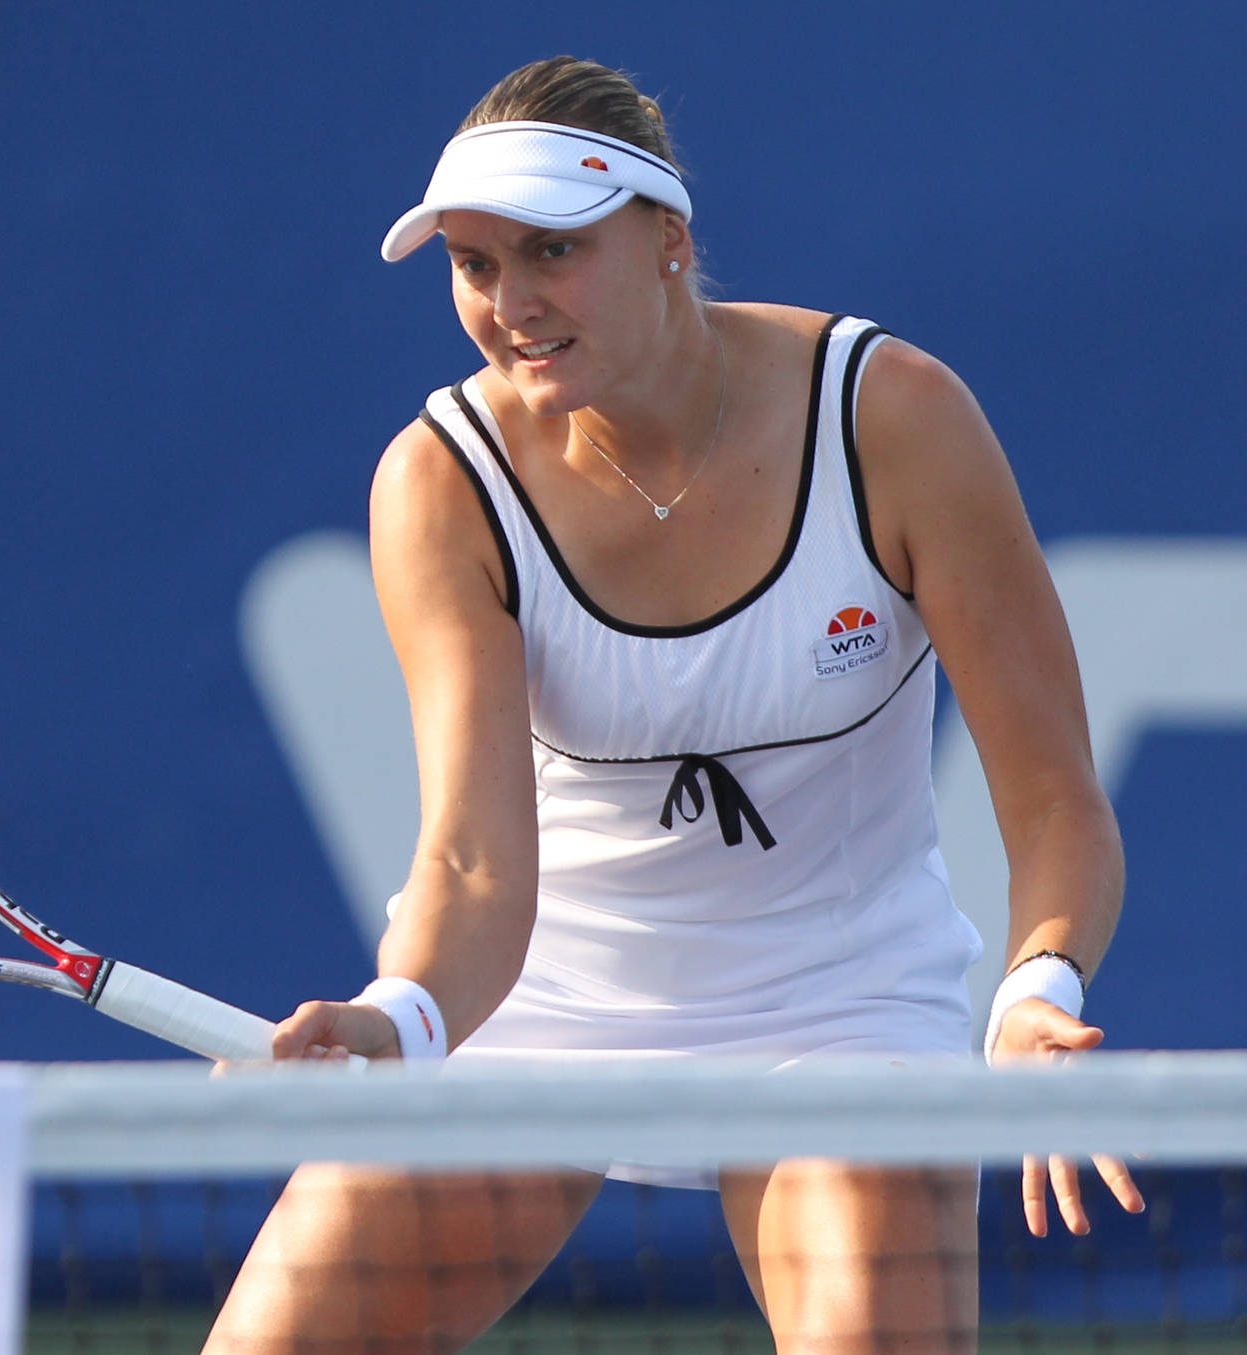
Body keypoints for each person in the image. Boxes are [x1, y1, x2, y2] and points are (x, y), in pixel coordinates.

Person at [203, 56, 1144, 1355]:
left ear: (668, 242)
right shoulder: (442, 485)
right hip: (536, 1014)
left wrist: (1036, 989)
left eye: (551, 252)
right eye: (475, 266)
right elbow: (473, 864)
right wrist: (399, 1018)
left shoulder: (895, 421)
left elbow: (1054, 801)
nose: (509, 304)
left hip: (844, 1016)